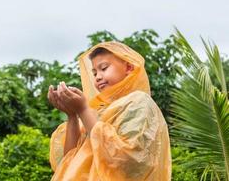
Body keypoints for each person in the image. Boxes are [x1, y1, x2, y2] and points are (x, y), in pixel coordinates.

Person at [47, 41, 171, 181]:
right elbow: (68, 162)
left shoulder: (138, 103)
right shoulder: (96, 112)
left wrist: (83, 109)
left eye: (104, 68)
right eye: (94, 73)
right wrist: (72, 115)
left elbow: (129, 161)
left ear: (129, 67)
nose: (98, 77)